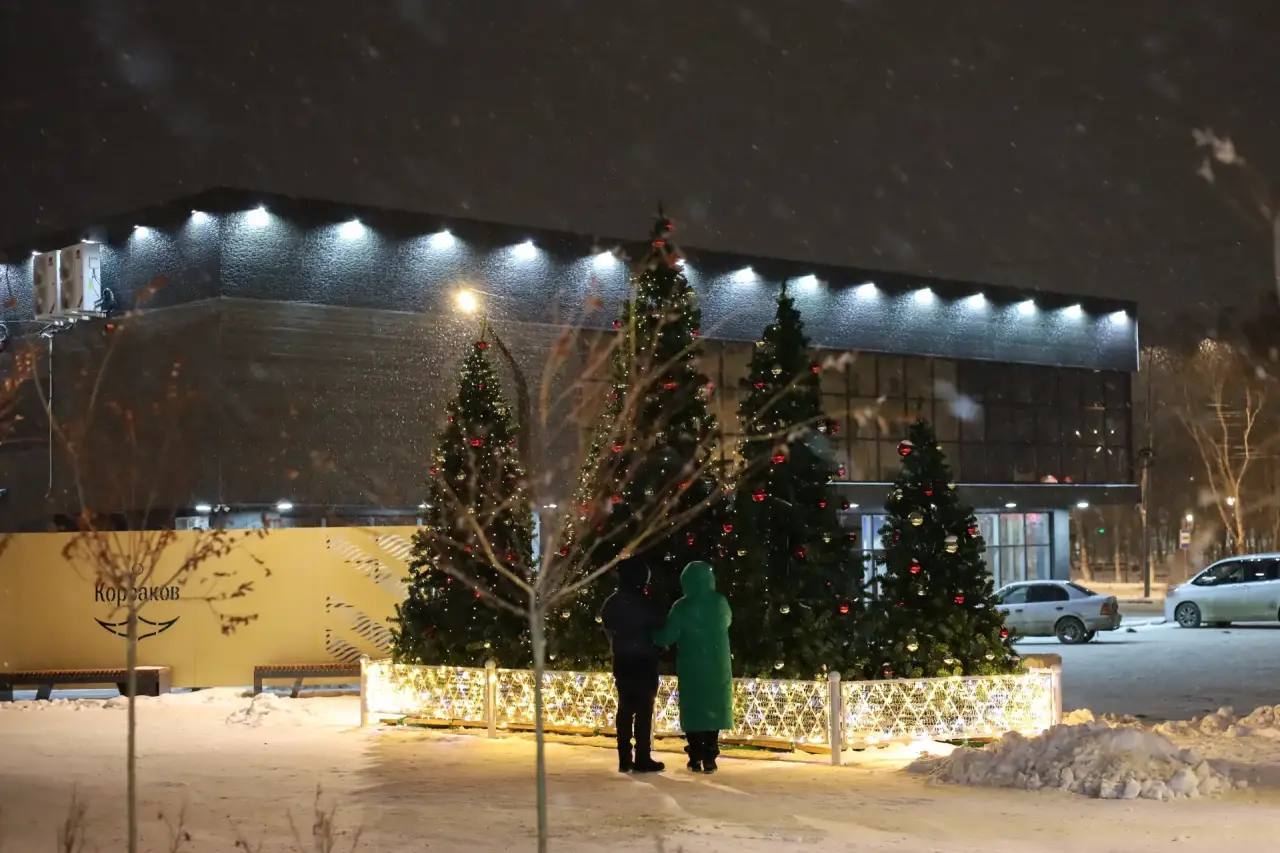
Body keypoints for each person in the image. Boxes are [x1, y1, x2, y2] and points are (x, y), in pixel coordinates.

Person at [653, 560, 733, 773]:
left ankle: (695, 755)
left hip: (692, 668)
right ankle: (710, 755)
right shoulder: (720, 602)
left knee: (694, 710)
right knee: (713, 710)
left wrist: (651, 635)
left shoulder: (682, 607)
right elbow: (727, 622)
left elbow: (668, 635)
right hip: (717, 667)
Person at [599, 556, 666, 773]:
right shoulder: (646, 604)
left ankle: (624, 757)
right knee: (644, 709)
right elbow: (659, 623)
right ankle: (642, 756)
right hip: (645, 660)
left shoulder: (613, 603)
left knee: (625, 708)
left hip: (623, 659)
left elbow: (607, 622)